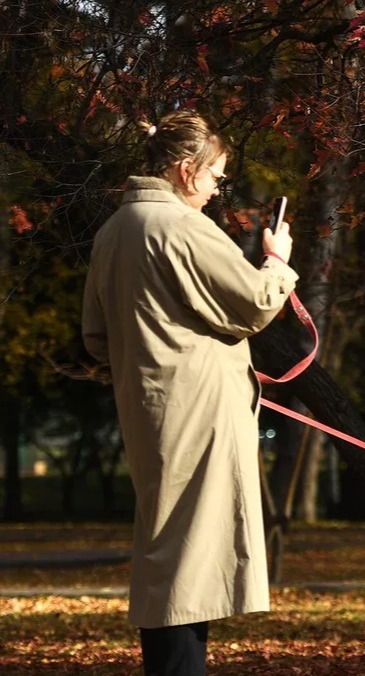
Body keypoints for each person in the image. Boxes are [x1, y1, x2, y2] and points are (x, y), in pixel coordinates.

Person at [81, 110, 298, 676]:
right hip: (198, 411)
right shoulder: (178, 226)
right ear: (185, 170)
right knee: (186, 561)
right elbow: (254, 302)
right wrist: (278, 262)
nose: (217, 189)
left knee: (171, 551)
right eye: (216, 177)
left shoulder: (112, 232)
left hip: (146, 408)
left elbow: (96, 337)